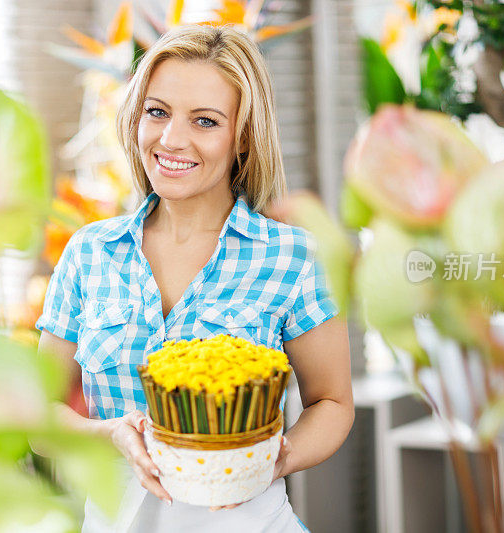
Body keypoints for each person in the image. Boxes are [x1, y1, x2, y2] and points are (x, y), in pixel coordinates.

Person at [37, 24, 354, 533]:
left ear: (243, 135)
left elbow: (332, 403)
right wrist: (111, 433)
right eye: (157, 111)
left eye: (205, 121)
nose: (171, 139)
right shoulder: (88, 254)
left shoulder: (293, 258)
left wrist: (279, 457)